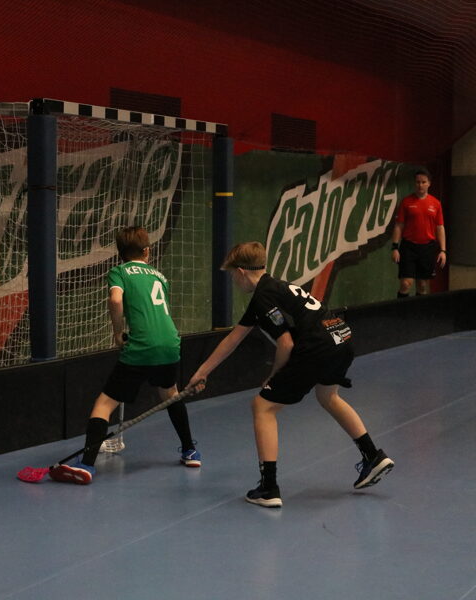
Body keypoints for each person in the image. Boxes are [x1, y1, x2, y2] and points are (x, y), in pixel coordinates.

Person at [186, 241, 394, 508]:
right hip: (340, 337)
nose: (234, 282)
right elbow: (233, 340)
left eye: (232, 275)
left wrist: (274, 376)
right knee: (328, 397)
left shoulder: (262, 297)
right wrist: (202, 373)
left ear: (241, 272)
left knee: (262, 406)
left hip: (317, 346)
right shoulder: (277, 287)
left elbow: (285, 344)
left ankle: (268, 488)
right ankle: (372, 456)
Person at [50, 226, 200, 485]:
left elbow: (116, 300)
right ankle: (190, 451)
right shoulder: (160, 276)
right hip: (170, 344)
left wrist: (118, 333)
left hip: (141, 346)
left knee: (104, 404)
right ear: (147, 251)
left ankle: (87, 465)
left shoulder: (119, 272)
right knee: (170, 394)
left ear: (120, 253)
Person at [391, 169, 446, 297]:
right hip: (408, 247)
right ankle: (401, 309)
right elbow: (399, 225)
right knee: (406, 283)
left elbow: (440, 227)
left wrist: (443, 250)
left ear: (429, 183)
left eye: (423, 182)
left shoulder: (436, 204)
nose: (420, 185)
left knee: (422, 285)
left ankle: (419, 310)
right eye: (417, 182)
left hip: (427, 248)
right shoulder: (406, 202)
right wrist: (395, 247)